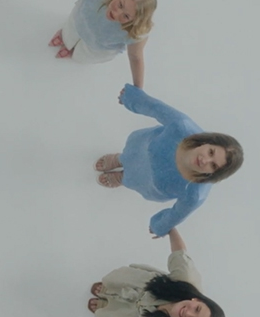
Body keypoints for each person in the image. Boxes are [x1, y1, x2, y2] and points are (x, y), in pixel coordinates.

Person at [100, 84, 243, 235]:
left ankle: (124, 178)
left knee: (133, 179)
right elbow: (155, 108)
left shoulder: (194, 194)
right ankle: (121, 159)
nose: (205, 160)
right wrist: (131, 98)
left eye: (213, 165)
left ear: (214, 174)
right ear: (207, 142)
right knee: (130, 155)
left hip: (148, 183)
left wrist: (159, 226)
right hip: (142, 148)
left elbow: (178, 213)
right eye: (211, 152)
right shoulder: (181, 126)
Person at [89, 227, 225, 317]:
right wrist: (170, 229)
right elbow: (180, 253)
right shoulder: (187, 279)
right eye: (197, 309)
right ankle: (108, 289)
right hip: (142, 286)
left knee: (107, 316)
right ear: (197, 300)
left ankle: (106, 306)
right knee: (118, 278)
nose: (188, 313)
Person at [38, 0, 157, 79]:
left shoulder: (136, 31)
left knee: (81, 56)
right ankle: (65, 39)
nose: (116, 14)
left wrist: (138, 90)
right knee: (69, 32)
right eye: (120, 5)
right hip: (78, 21)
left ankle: (73, 53)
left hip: (96, 48)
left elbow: (136, 57)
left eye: (126, 16)